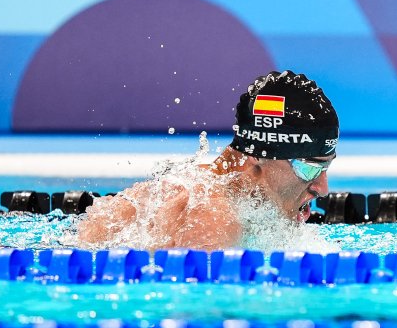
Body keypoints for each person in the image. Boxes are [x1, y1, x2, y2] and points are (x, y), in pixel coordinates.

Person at [76, 70, 338, 250]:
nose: (322, 188)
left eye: (325, 168)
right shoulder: (214, 219)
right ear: (257, 157)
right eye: (309, 167)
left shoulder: (198, 186)